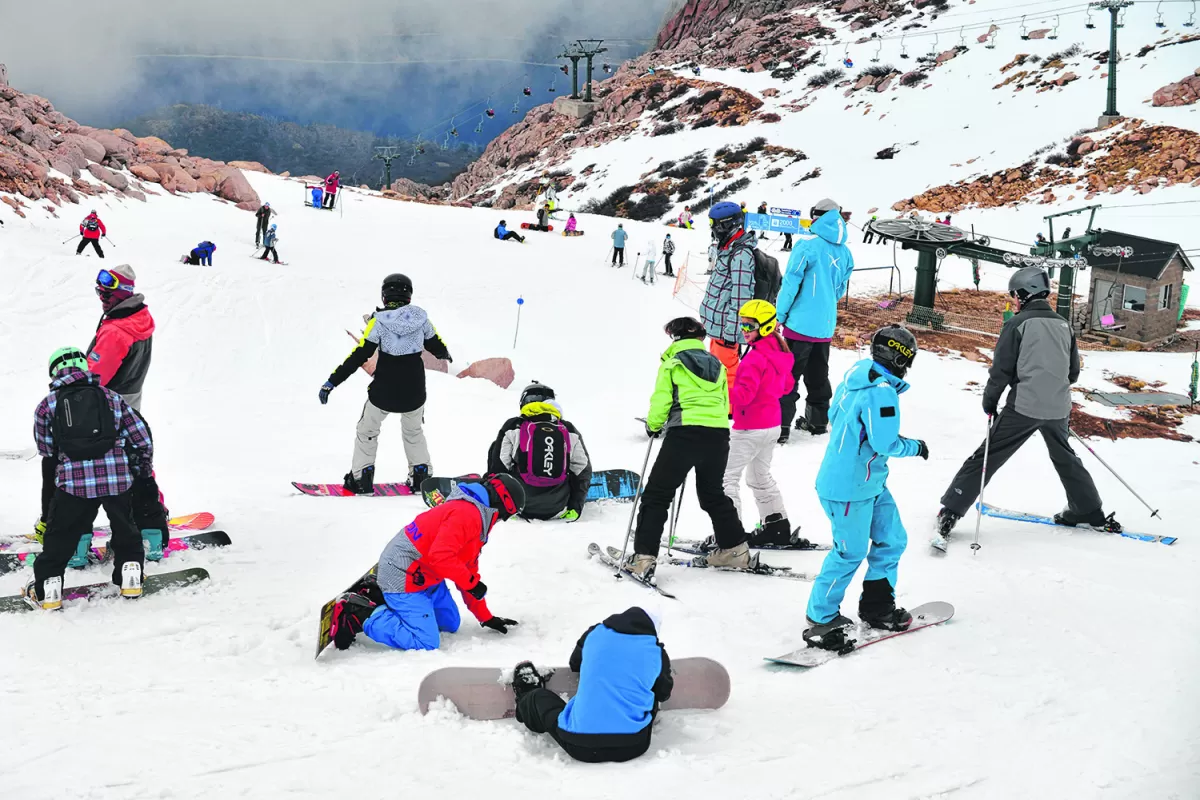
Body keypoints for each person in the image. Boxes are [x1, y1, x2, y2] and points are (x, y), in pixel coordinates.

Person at [935, 268, 1121, 540]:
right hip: (1058, 408)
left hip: (1024, 407)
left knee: (988, 455)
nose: (1014, 300)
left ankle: (951, 509)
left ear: (1024, 293)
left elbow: (1001, 370)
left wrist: (990, 401)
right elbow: (1072, 373)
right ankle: (1089, 511)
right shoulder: (1063, 325)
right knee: (1065, 457)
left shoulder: (1016, 324)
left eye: (1015, 295)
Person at [802, 326, 927, 650]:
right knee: (850, 552)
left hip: (869, 482)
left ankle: (877, 606)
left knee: (892, 539)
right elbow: (884, 441)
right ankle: (821, 617)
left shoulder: (858, 374)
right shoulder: (879, 390)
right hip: (848, 488)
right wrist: (915, 447)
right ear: (899, 358)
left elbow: (834, 414)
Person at [328, 474, 526, 651]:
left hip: (425, 576)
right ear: (501, 505)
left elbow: (467, 567)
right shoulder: (467, 515)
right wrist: (472, 584)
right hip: (403, 574)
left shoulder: (476, 516)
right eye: (505, 516)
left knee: (450, 623)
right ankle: (358, 614)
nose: (501, 521)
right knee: (426, 642)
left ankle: (379, 593)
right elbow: (441, 557)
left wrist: (485, 616)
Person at [23, 347, 155, 609]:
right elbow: (140, 437)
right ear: (85, 368)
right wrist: (141, 468)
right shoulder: (111, 397)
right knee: (125, 527)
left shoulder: (47, 405)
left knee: (60, 536)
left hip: (74, 485)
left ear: (54, 372)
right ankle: (130, 575)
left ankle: (48, 587)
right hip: (117, 479)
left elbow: (47, 450)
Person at [625, 317, 752, 582]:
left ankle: (644, 558)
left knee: (657, 496)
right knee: (712, 494)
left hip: (684, 433)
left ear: (675, 338)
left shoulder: (672, 364)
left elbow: (661, 400)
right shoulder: (716, 364)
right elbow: (724, 400)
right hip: (717, 435)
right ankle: (734, 549)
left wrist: (653, 425)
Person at [319, 274, 452, 494]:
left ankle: (361, 478)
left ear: (384, 295)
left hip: (384, 391)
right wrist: (445, 354)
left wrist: (332, 382)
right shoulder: (421, 320)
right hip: (414, 391)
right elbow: (438, 346)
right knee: (413, 431)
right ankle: (421, 476)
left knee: (367, 430)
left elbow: (358, 355)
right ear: (409, 295)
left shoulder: (378, 322)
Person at [511, 606, 672, 763]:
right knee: (651, 693)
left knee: (539, 699)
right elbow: (663, 694)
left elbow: (575, 663)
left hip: (581, 745)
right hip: (634, 744)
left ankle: (526, 699)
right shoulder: (656, 652)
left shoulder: (595, 633)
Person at [721, 300, 808, 548]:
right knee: (759, 476)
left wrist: (720, 392)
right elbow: (788, 387)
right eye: (743, 325)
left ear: (767, 326)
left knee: (726, 478)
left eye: (750, 325)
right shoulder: (782, 354)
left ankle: (730, 537)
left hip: (749, 427)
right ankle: (776, 527)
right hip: (771, 426)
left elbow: (743, 396)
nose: (744, 330)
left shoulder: (754, 359)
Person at [775, 197, 854, 444]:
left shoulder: (806, 246)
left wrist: (780, 315)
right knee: (818, 375)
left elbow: (790, 283)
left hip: (799, 326)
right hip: (825, 325)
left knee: (788, 376)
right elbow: (839, 289)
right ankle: (818, 422)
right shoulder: (846, 253)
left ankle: (781, 427)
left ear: (817, 217)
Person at [486, 381, 592, 521]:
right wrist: (575, 507)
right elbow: (583, 469)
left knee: (495, 447)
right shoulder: (568, 429)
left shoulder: (513, 426)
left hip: (519, 505)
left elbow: (499, 467)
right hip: (558, 506)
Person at [699, 201, 757, 389]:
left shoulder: (740, 255)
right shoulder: (728, 249)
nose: (713, 230)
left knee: (726, 375)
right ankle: (718, 408)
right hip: (719, 328)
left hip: (726, 331)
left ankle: (727, 411)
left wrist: (731, 334)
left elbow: (741, 299)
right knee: (716, 373)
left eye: (714, 225)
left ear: (726, 225)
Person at [87, 267, 154, 412]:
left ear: (122, 295)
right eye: (100, 292)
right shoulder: (141, 318)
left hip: (108, 406)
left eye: (107, 295)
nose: (102, 298)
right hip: (131, 403)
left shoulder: (116, 332)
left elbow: (94, 377)